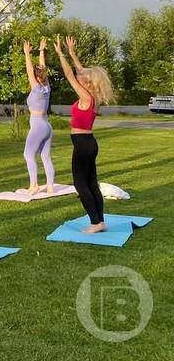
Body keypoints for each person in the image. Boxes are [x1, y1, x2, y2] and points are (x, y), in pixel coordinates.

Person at [54, 35, 114, 234]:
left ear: (87, 83)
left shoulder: (85, 96)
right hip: (89, 142)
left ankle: (95, 222)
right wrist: (72, 53)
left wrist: (61, 54)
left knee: (80, 184)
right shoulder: (93, 96)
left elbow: (71, 75)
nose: (80, 78)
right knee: (91, 183)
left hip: (82, 144)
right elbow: (80, 72)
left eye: (84, 79)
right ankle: (100, 221)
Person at [23, 38, 54, 195]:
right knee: (45, 157)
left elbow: (30, 71)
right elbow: (42, 69)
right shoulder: (46, 87)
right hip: (47, 126)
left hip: (38, 126)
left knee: (28, 154)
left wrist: (27, 54)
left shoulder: (36, 88)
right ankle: (50, 186)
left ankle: (34, 185)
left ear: (36, 77)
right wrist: (42, 51)